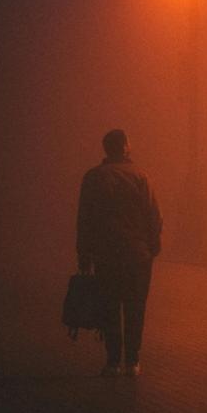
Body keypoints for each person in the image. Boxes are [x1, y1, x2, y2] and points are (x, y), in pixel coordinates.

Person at [77, 129, 162, 377]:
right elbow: (153, 215)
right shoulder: (140, 177)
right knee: (135, 308)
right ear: (124, 147)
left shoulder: (93, 178)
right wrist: (153, 245)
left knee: (110, 307)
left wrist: (84, 252)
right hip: (137, 255)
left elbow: (85, 219)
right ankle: (132, 360)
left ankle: (112, 361)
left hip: (106, 254)